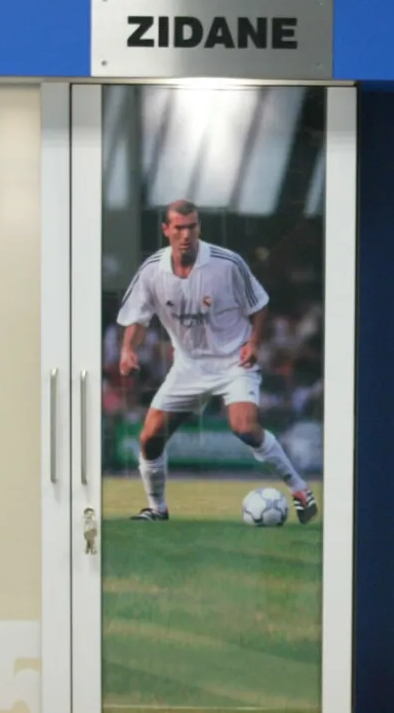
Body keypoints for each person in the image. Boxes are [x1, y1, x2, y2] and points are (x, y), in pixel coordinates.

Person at [117, 199, 318, 523]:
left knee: (245, 427)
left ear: (199, 227)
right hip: (189, 365)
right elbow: (137, 320)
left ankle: (299, 489)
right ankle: (157, 509)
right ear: (166, 230)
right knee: (149, 437)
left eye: (192, 226)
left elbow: (259, 305)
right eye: (179, 228)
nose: (186, 234)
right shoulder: (152, 271)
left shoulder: (227, 263)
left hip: (232, 361)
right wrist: (128, 349)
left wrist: (253, 343)